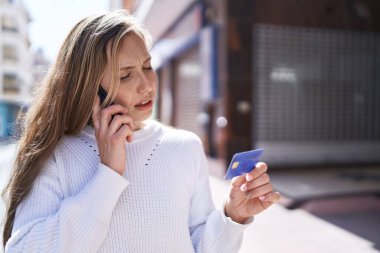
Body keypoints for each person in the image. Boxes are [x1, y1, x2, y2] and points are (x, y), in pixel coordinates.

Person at [2, 10, 281, 252]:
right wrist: (107, 174)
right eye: (125, 75)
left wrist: (232, 216)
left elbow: (201, 246)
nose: (146, 85)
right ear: (89, 88)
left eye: (148, 66)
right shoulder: (57, 153)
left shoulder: (185, 146)